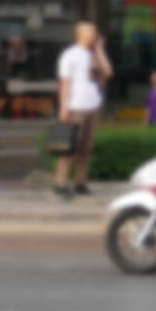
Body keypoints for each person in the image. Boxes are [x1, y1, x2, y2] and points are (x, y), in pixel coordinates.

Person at [53, 19, 110, 199]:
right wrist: (63, 107)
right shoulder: (69, 55)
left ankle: (80, 182)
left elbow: (108, 73)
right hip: (74, 106)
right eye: (91, 31)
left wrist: (100, 50)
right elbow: (65, 83)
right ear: (81, 34)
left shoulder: (95, 54)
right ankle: (60, 182)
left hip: (93, 106)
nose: (94, 34)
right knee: (67, 147)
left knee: (86, 147)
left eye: (95, 31)